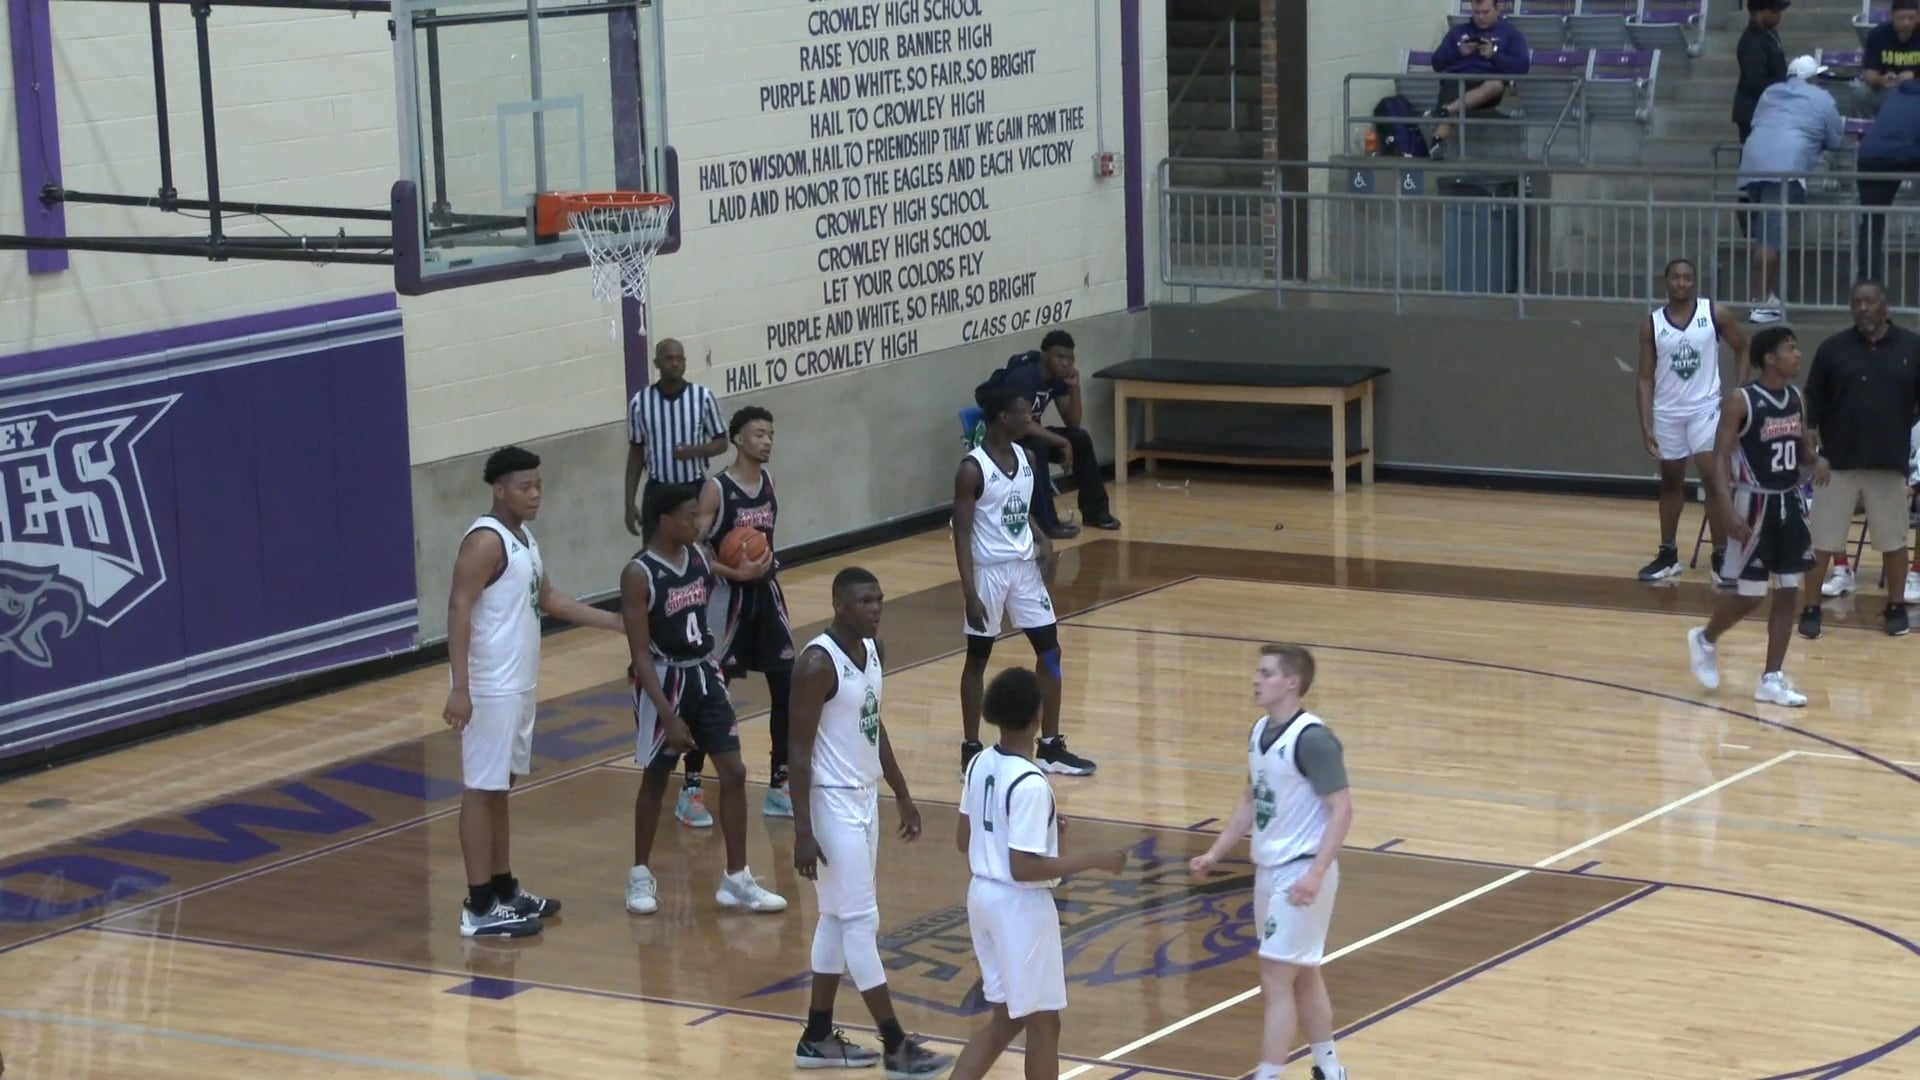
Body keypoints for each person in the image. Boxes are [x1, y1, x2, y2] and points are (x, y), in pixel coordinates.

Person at [443, 446, 625, 938]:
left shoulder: (523, 537)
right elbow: (459, 609)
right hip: (488, 686)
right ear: (499, 490)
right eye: (525, 487)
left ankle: (502, 889)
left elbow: (548, 599)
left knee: (500, 787)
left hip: (517, 682)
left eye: (539, 485)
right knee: (481, 789)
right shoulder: (484, 541)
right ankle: (478, 907)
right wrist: (460, 687)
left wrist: (617, 622)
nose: (535, 494)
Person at [787, 567, 953, 1078]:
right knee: (861, 922)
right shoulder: (817, 662)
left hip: (864, 798)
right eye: (864, 602)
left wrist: (901, 791)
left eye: (879, 600)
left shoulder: (874, 651)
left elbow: (871, 721)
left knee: (835, 919)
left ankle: (816, 1037)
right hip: (830, 804)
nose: (875, 609)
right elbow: (796, 748)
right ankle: (896, 1043)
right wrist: (801, 831)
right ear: (839, 604)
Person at [949, 667, 1129, 1080]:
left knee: (1006, 1020)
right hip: (1019, 909)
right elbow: (1023, 867)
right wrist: (1094, 858)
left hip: (981, 898)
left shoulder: (978, 762)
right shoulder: (1031, 782)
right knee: (1044, 1026)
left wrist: (1042, 825)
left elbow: (964, 838)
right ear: (1036, 716)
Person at [1190, 645, 1354, 1080]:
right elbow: (1250, 800)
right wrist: (1216, 852)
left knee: (1275, 979)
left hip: (1300, 871)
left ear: (1291, 683)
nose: (1255, 679)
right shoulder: (1259, 729)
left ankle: (1269, 1074)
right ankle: (1330, 1068)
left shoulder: (1313, 739)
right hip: (1270, 869)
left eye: (1265, 673)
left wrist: (1316, 874)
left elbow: (1343, 809)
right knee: (1302, 974)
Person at [622, 483, 787, 916]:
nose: (699, 523)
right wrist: (666, 715)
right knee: (656, 779)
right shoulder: (639, 573)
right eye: (690, 517)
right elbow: (639, 653)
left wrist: (746, 573)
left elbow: (720, 577)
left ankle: (736, 878)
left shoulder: (697, 557)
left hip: (704, 671)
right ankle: (640, 874)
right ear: (664, 520)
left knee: (733, 771)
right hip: (662, 677)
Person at [953, 385, 1097, 780]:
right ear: (1003, 417)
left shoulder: (1027, 457)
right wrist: (969, 593)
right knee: (977, 658)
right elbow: (962, 533)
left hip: (1024, 570)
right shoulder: (972, 468)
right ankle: (970, 748)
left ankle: (1049, 745)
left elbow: (1014, 507)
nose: (1029, 422)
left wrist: (1040, 536)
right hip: (988, 573)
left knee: (1050, 652)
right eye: (1023, 415)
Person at [623, 336, 729, 827]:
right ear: (657, 363)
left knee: (695, 575)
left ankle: (695, 635)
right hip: (658, 494)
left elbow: (721, 442)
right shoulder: (641, 403)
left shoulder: (702, 397)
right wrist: (629, 500)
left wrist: (695, 449)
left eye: (680, 358)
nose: (674, 363)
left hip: (692, 486)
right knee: (656, 579)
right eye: (667, 358)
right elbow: (636, 453)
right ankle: (654, 634)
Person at [1688, 328, 1821, 707]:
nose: (1798, 354)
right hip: (1754, 502)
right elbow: (1718, 456)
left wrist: (1816, 460)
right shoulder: (1741, 399)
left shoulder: (1796, 398)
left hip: (1790, 501)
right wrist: (1726, 508)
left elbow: (1799, 450)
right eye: (1790, 349)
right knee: (1750, 595)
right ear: (1769, 359)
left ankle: (1771, 678)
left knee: (1789, 590)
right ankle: (1705, 637)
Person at [1798, 280, 1920, 639]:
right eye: (1857, 302)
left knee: (1893, 541)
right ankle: (1811, 609)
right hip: (1837, 461)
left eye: (1870, 301)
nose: (1863, 308)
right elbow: (1812, 396)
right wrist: (1810, 428)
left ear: (1886, 305)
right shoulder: (1833, 349)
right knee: (1822, 540)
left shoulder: (1912, 347)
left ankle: (1895, 607)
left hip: (1888, 461)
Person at [691, 406, 791, 818]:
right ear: (737, 439)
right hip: (726, 599)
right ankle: (692, 787)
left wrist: (766, 560)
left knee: (786, 684)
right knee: (713, 692)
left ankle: (780, 783)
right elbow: (692, 550)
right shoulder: (716, 488)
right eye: (758, 434)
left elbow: (764, 537)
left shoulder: (767, 481)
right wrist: (733, 569)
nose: (766, 441)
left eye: (770, 434)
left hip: (765, 595)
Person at [1638, 259, 1748, 584]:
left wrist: (1737, 396)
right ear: (1666, 281)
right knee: (1671, 483)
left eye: (1688, 278)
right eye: (1676, 277)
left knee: (1714, 481)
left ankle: (1720, 555)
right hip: (1667, 412)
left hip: (1705, 409)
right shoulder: (1652, 324)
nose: (1682, 283)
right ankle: (1668, 553)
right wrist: (1645, 424)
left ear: (1695, 282)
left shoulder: (1715, 313)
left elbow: (1743, 347)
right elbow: (1644, 378)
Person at [976, 330, 1122, 539]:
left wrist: (1074, 388)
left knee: (1079, 438)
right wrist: (1061, 441)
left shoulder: (1055, 380)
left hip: (1029, 434)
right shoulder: (1024, 377)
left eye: (1069, 358)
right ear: (1045, 355)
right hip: (1006, 439)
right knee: (1039, 447)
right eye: (1059, 357)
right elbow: (1023, 424)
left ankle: (1095, 511)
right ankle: (1046, 522)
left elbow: (1073, 422)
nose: (1065, 363)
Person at [1736, 55, 1845, 324]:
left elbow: (1756, 124)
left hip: (1752, 163)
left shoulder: (1770, 93)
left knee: (1764, 234)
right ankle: (1761, 301)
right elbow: (1835, 139)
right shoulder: (1822, 98)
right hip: (1784, 166)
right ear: (1813, 78)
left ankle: (1764, 297)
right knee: (1770, 238)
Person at [1423, 0, 1531, 160]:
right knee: (1453, 86)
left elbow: (1522, 67)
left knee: (1494, 84)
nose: (1480, 17)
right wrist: (1459, 52)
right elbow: (1436, 63)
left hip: (1489, 87)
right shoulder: (1458, 32)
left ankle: (1443, 116)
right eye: (1476, 12)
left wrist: (1494, 56)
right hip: (1458, 81)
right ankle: (1439, 137)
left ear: (1498, 8)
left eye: (1485, 12)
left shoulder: (1510, 34)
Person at [1733, 0, 1788, 143]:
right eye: (1774, 11)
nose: (1779, 15)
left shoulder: (1769, 34)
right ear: (1758, 12)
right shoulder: (1752, 42)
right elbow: (1756, 82)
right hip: (1754, 111)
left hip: (1768, 107)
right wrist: (1782, 92)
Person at [1855, 0, 1920, 118]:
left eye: (1911, 18)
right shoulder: (1878, 35)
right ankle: (1870, 131)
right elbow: (1869, 74)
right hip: (1888, 90)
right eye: (1901, 18)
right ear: (1891, 16)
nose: (1906, 23)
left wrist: (1915, 76)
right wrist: (1882, 80)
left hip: (1917, 90)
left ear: (1918, 17)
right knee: (1861, 93)